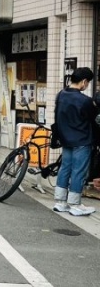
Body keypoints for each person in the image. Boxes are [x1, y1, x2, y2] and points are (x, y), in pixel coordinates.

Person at [53, 66, 97, 215]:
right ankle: (75, 204)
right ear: (84, 82)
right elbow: (93, 119)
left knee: (65, 168)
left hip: (65, 139)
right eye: (88, 82)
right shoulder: (85, 101)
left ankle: (60, 202)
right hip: (82, 140)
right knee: (78, 171)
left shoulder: (61, 95)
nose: (87, 86)